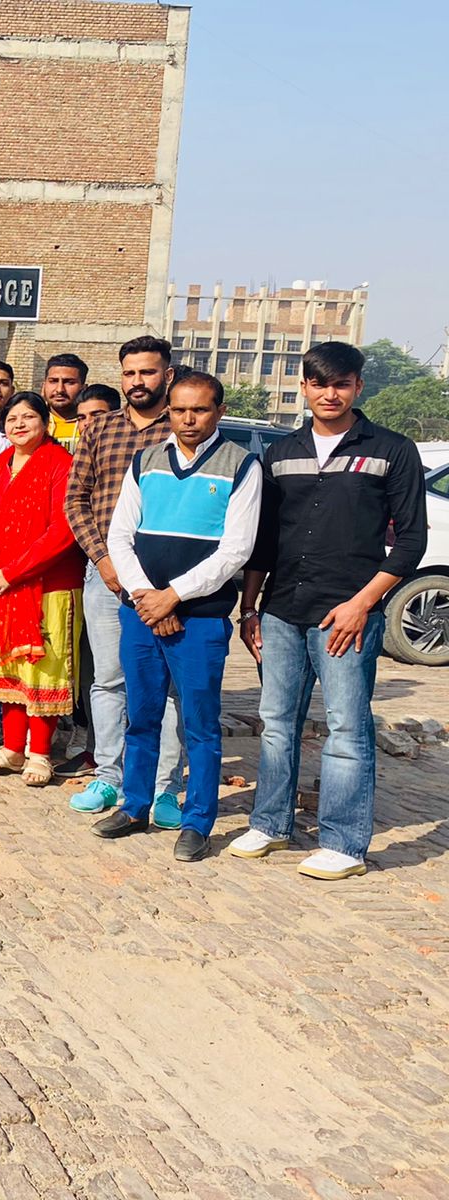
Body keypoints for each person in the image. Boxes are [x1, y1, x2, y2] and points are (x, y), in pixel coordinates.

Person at [231, 342, 428, 880]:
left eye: (341, 384)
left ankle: (345, 843)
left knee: (346, 727)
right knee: (276, 723)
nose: (329, 393)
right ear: (303, 388)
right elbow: (263, 541)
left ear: (358, 387)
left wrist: (362, 604)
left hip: (346, 615)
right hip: (282, 610)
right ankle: (271, 824)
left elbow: (411, 544)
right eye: (319, 384)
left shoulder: (391, 449)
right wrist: (250, 610)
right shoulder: (280, 452)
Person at [93, 371, 262, 860]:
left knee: (201, 723)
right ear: (168, 409)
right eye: (180, 409)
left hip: (201, 619)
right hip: (142, 612)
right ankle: (135, 804)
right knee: (141, 715)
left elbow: (236, 551)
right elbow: (120, 535)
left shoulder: (241, 465)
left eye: (201, 409)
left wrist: (175, 596)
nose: (189, 419)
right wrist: (148, 595)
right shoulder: (146, 461)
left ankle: (198, 820)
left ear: (219, 411)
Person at [64, 335, 187, 817]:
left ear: (168, 375)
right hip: (106, 577)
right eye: (131, 373)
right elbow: (76, 500)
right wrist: (104, 560)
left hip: (164, 582)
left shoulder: (182, 431)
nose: (138, 382)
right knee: (109, 680)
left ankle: (163, 787)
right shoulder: (99, 430)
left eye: (148, 372)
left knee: (167, 686)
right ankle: (109, 778)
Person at [0, 392, 84, 786]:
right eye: (12, 418)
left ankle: (40, 754)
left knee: (42, 670)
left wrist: (13, 572)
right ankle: (12, 750)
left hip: (47, 585)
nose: (19, 424)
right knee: (9, 668)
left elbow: (62, 532)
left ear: (45, 423)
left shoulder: (61, 466)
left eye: (28, 417)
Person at [54, 380, 124, 779]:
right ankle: (93, 746)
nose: (88, 425)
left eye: (97, 416)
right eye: (81, 419)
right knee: (90, 671)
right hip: (82, 576)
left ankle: (111, 754)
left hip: (118, 574)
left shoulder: (122, 457)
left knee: (113, 671)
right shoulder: (75, 461)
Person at [42, 352, 88, 453]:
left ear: (83, 388)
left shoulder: (93, 424)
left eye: (69, 382)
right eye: (53, 381)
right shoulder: (32, 424)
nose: (60, 389)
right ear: (44, 385)